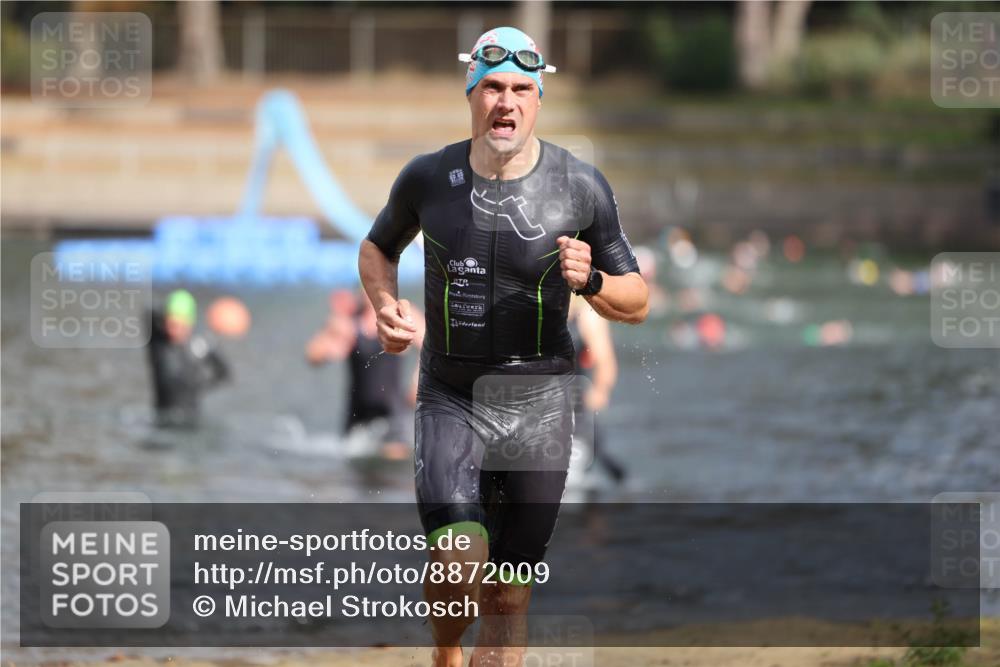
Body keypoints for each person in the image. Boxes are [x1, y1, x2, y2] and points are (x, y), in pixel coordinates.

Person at [358, 26, 648, 667]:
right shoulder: (429, 178)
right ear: (471, 94)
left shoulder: (580, 186)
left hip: (540, 400)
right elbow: (378, 246)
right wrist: (384, 308)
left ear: (538, 99)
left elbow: (638, 299)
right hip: (451, 394)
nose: (506, 102)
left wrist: (593, 280)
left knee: (510, 595)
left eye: (521, 89)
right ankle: (443, 651)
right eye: (492, 87)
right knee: (459, 564)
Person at [306, 289, 422, 460]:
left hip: (392, 413)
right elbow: (313, 356)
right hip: (357, 413)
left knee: (393, 467)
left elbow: (428, 347)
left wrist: (417, 382)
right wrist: (331, 335)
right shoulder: (350, 321)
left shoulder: (401, 316)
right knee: (353, 473)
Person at [146, 289, 230, 429]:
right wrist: (169, 308)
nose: (173, 329)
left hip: (191, 420)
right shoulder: (159, 345)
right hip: (162, 419)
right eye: (170, 323)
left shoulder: (201, 346)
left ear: (189, 323)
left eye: (179, 324)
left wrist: (200, 384)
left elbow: (224, 373)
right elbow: (148, 312)